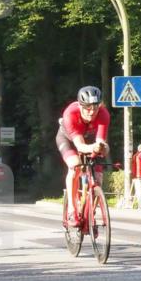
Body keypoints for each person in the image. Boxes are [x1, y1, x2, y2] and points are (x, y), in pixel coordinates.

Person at [56, 85, 110, 223]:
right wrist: (94, 147)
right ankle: (72, 209)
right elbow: (80, 146)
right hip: (68, 140)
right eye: (87, 108)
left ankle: (90, 213)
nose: (92, 112)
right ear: (80, 105)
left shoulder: (103, 114)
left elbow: (100, 140)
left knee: (98, 177)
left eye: (95, 107)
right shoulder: (70, 114)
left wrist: (103, 147)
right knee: (76, 166)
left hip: (90, 139)